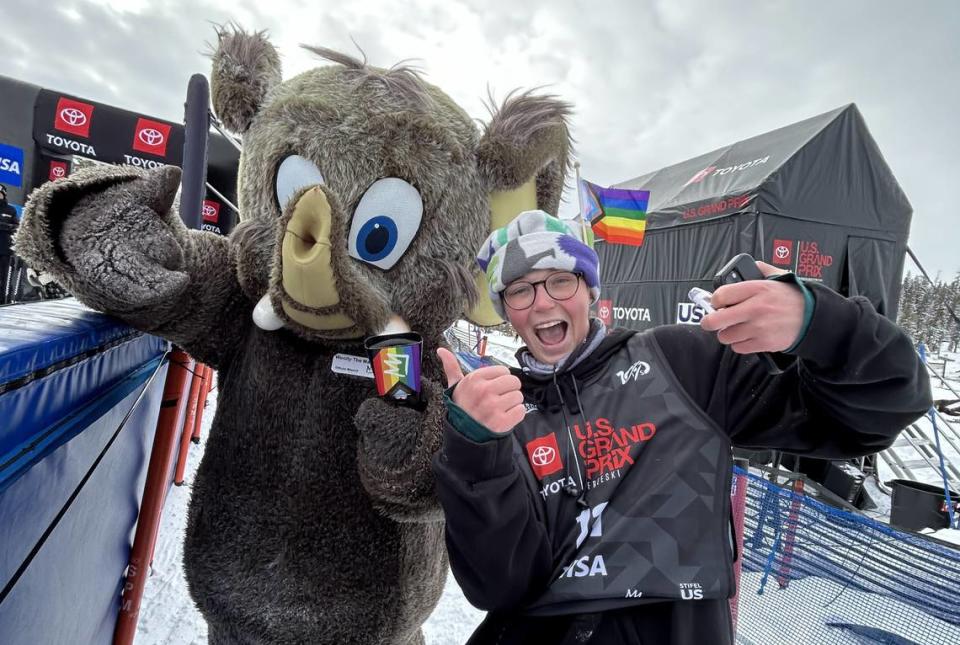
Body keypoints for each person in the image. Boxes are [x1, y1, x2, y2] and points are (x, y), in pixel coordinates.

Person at [432, 210, 932, 645]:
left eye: (560, 281)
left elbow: (883, 409)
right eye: (519, 291)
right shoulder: (502, 414)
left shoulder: (681, 361)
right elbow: (498, 587)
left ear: (589, 289)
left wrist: (821, 324)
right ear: (507, 314)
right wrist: (476, 450)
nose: (542, 304)